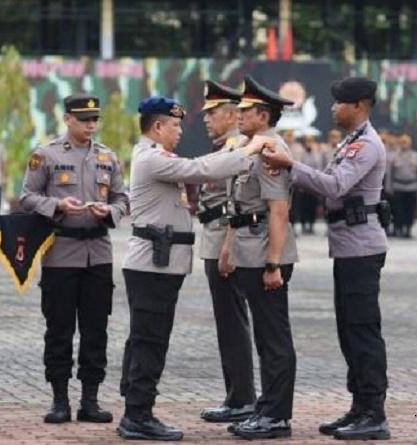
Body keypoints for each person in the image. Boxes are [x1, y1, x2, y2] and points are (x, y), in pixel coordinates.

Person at [117, 96, 263, 441]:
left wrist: (238, 151)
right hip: (152, 265)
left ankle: (137, 409)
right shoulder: (153, 159)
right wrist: (248, 151)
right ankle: (137, 415)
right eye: (175, 125)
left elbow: (201, 163)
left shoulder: (157, 156)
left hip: (159, 264)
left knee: (147, 338)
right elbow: (201, 169)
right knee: (149, 341)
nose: (180, 131)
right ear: (157, 127)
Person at [261, 76, 391, 441]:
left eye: (339, 103)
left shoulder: (366, 145)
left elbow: (334, 186)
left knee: (363, 330)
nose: (333, 108)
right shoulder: (351, 142)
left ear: (359, 105)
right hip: (349, 247)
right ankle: (360, 407)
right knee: (349, 330)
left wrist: (290, 166)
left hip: (361, 250)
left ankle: (374, 413)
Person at [19, 95, 129, 424]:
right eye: (83, 119)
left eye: (95, 119)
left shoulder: (108, 157)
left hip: (98, 253)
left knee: (96, 329)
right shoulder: (46, 155)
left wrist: (109, 211)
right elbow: (26, 197)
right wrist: (57, 206)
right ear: (68, 119)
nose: (91, 125)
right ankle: (59, 399)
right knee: (59, 329)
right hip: (61, 254)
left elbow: (123, 198)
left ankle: (90, 400)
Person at [219, 75, 298, 440]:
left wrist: (273, 264)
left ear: (263, 116)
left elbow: (278, 211)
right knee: (266, 338)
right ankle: (267, 409)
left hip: (267, 253)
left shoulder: (270, 153)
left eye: (246, 110)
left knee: (273, 337)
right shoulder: (252, 146)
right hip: (251, 250)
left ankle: (277, 416)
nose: (239, 114)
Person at [196, 80, 256, 424]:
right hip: (214, 233)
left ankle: (242, 398)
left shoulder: (237, 147)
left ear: (232, 114)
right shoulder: (227, 146)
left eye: (213, 113)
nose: (206, 120)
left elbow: (237, 201)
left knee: (232, 320)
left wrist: (229, 247)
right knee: (228, 320)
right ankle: (237, 395)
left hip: (225, 238)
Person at [387, 134, 417, 238]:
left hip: (412, 187)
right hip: (398, 187)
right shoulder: (395, 157)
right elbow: (390, 174)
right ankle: (400, 228)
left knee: (410, 210)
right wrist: (389, 187)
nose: (404, 144)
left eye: (406, 142)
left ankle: (408, 228)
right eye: (402, 142)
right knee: (399, 210)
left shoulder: (416, 156)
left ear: (410, 144)